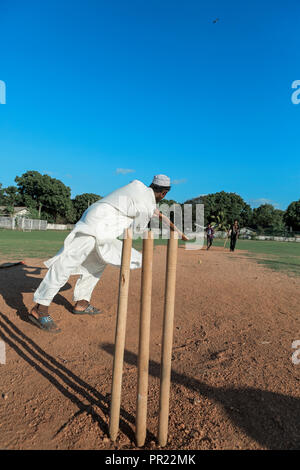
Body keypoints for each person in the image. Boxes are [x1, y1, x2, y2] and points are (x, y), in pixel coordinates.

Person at [29, 175, 187, 333]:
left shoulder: (138, 188)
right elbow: (138, 229)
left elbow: (153, 211)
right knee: (67, 262)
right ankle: (40, 309)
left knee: (98, 261)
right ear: (164, 193)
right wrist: (153, 216)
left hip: (102, 226)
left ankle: (82, 303)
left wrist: (165, 221)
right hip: (95, 224)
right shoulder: (146, 203)